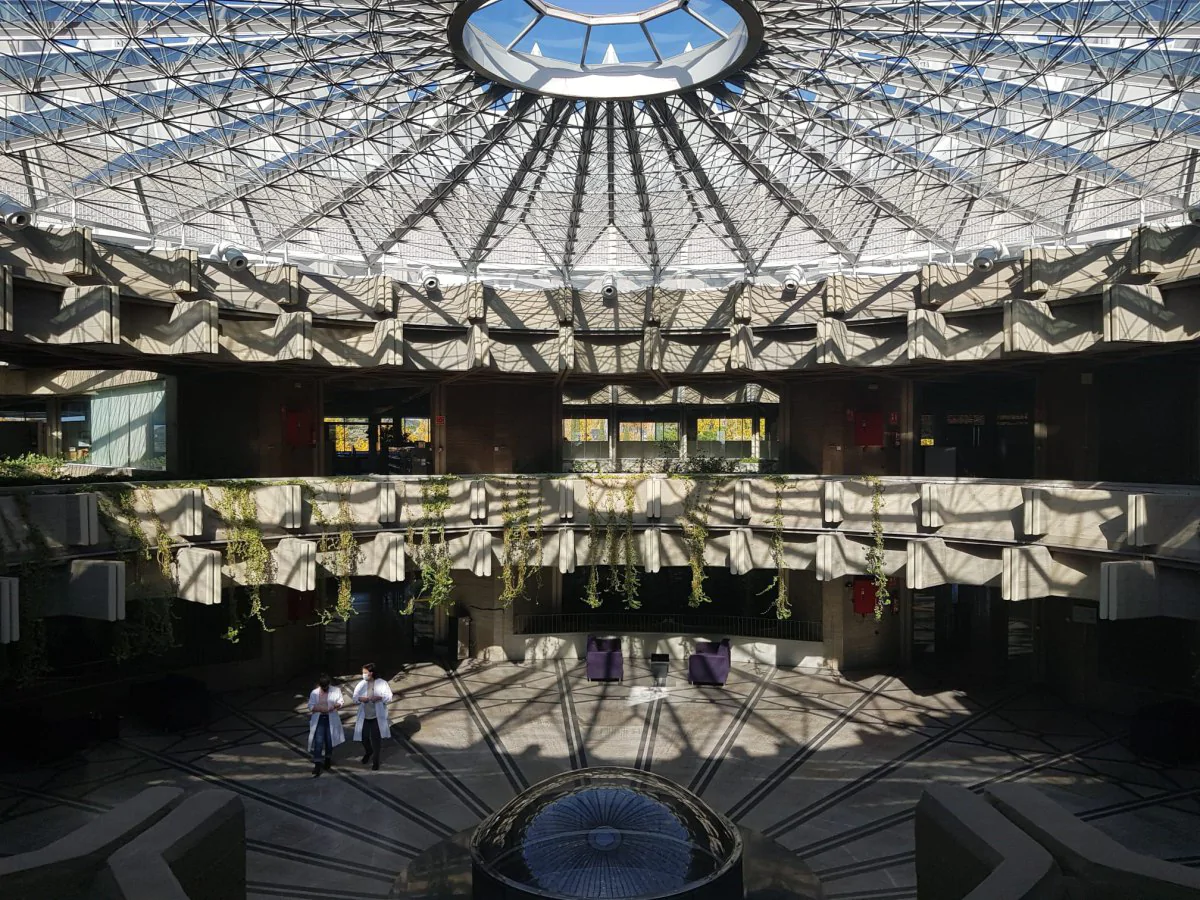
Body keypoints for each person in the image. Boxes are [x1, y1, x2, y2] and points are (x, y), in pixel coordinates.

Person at [352, 662, 393, 771]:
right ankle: (368, 751)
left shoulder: (382, 683)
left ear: (371, 673)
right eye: (363, 673)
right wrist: (361, 699)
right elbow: (355, 697)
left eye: (365, 672)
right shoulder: (361, 684)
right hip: (365, 716)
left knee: (376, 739)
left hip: (376, 716)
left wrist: (379, 698)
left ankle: (375, 760)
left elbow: (389, 697)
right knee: (364, 737)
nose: (363, 674)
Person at [306, 673, 345, 777]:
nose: (324, 689)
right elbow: (310, 706)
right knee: (318, 742)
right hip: (319, 719)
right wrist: (319, 708)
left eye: (326, 687)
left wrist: (334, 706)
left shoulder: (336, 691)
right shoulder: (314, 693)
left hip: (330, 718)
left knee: (329, 740)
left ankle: (328, 758)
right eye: (322, 687)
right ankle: (317, 764)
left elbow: (341, 701)